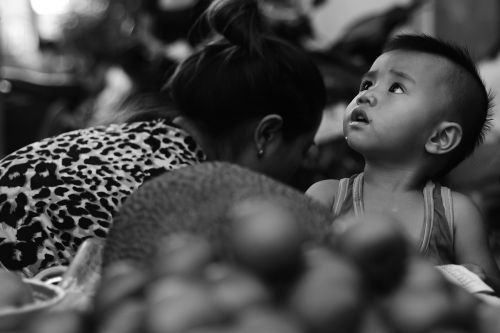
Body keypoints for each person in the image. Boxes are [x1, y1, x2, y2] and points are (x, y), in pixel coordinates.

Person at [0, 0, 326, 276]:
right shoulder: (183, 195)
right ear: (266, 134)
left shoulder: (139, 140)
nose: (304, 163)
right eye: (304, 149)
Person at [306, 34, 500, 292]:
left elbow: (490, 297)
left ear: (440, 137)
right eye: (366, 85)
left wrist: (473, 279)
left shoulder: (457, 214)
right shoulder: (326, 197)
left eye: (396, 88)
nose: (365, 96)